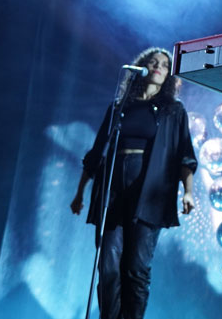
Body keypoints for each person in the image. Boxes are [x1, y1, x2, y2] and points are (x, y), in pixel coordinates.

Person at [70, 47, 197, 319]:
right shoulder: (120, 107)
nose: (158, 66)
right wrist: (80, 192)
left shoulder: (173, 111)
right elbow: (96, 153)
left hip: (150, 191)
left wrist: (188, 191)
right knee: (108, 266)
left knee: (135, 268)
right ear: (142, 66)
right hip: (113, 188)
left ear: (169, 76)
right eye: (153, 61)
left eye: (165, 64)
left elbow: (185, 155)